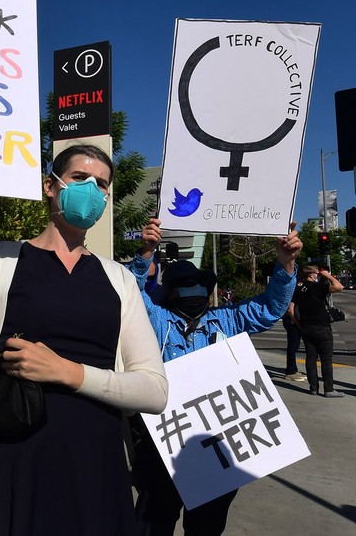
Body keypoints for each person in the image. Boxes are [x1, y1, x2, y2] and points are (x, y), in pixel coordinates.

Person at [0, 144, 168, 535]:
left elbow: (154, 391)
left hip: (92, 472)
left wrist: (69, 373)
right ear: (51, 185)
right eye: (81, 178)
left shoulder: (121, 281)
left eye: (101, 184)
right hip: (3, 466)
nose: (92, 191)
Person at [127, 217, 301, 536]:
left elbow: (270, 308)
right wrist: (146, 253)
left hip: (216, 447)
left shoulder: (227, 319)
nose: (194, 293)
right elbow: (127, 294)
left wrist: (286, 263)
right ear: (169, 292)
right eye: (185, 287)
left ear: (208, 291)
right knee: (152, 522)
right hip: (164, 445)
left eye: (199, 287)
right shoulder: (157, 319)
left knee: (207, 526)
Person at [294, 265, 344, 397]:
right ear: (311, 275)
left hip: (307, 327)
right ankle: (329, 389)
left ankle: (313, 388)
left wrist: (299, 325)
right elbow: (339, 287)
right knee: (326, 359)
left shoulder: (298, 289)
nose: (319, 275)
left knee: (311, 358)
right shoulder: (318, 287)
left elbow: (290, 309)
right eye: (317, 273)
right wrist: (327, 275)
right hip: (322, 327)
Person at [282, 279, 306, 381]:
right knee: (293, 346)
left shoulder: (296, 289)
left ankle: (293, 369)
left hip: (294, 321)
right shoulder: (294, 290)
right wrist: (298, 324)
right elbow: (290, 310)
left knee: (294, 346)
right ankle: (290, 371)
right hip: (292, 322)